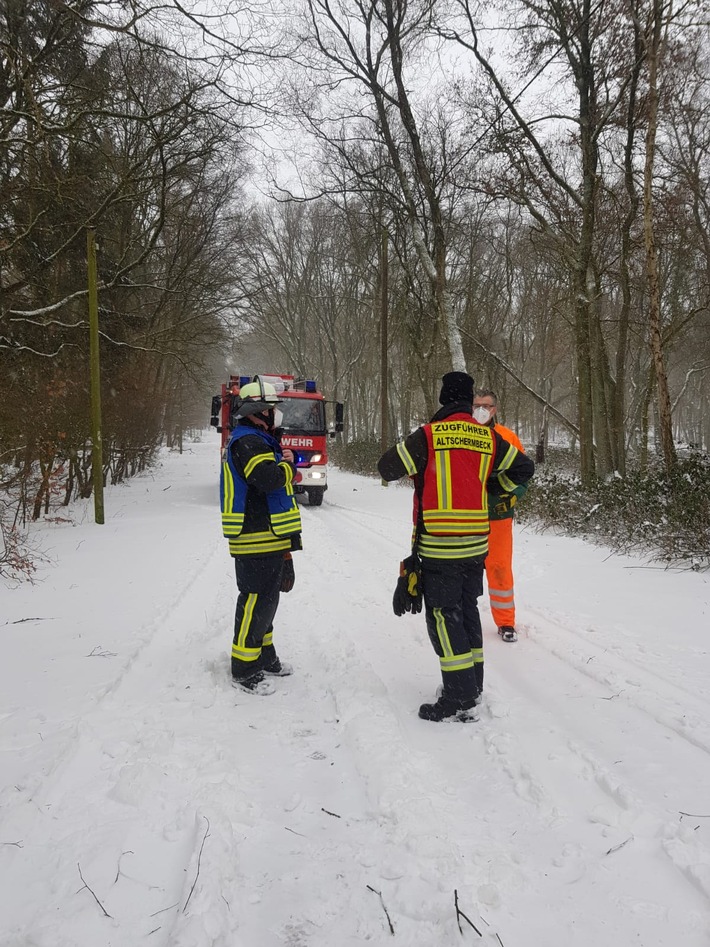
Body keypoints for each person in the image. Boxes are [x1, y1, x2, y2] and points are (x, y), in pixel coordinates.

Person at [378, 371, 534, 721]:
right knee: (465, 614)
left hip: (441, 547)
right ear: (469, 401)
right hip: (477, 546)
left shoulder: (430, 436)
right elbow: (524, 468)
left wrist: (416, 452)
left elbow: (387, 468)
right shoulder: (487, 437)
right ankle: (472, 685)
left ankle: (459, 698)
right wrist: (493, 490)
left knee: (444, 619)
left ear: (443, 399)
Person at [220, 376, 302, 694]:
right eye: (272, 409)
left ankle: (265, 657)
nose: (277, 414)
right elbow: (266, 479)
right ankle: (244, 669)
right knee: (256, 601)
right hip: (255, 536)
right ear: (258, 411)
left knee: (267, 602)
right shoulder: (247, 442)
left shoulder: (258, 439)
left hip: (268, 536)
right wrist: (288, 467)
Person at [473, 389, 528, 644]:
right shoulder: (464, 434)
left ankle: (506, 621)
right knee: (466, 569)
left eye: (486, 405)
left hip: (498, 515)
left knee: (499, 568)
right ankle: (464, 617)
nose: (481, 409)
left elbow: (524, 473)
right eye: (476, 404)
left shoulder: (507, 437)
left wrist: (510, 494)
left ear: (494, 409)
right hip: (467, 515)